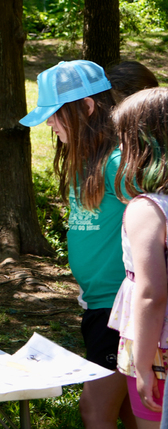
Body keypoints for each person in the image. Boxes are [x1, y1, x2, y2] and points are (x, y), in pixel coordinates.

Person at [20, 60, 135, 429]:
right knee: (129, 409)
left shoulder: (119, 164)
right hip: (96, 305)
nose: (50, 125)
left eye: (56, 115)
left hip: (121, 310)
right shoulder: (83, 162)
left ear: (87, 107)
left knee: (94, 408)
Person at [108, 88, 168, 428]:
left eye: (123, 139)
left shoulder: (148, 209)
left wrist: (144, 365)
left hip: (157, 348)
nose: (119, 148)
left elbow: (151, 293)